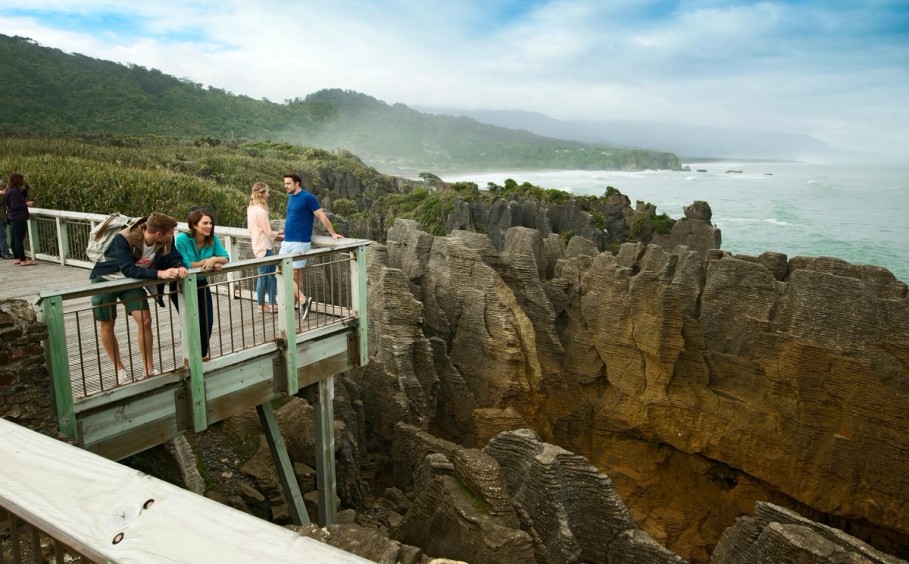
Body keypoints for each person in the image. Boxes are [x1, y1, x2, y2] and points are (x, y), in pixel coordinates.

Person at [89, 212, 187, 384]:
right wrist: (159, 274)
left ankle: (149, 369)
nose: (172, 236)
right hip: (106, 279)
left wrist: (180, 267)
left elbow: (174, 258)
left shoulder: (165, 241)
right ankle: (119, 369)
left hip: (130, 282)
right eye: (170, 233)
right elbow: (128, 268)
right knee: (107, 322)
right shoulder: (124, 238)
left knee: (145, 319)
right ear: (159, 234)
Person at [279, 173, 343, 320]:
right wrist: (285, 229)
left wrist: (332, 233)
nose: (285, 186)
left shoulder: (308, 198)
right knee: (294, 275)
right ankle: (299, 306)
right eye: (285, 183)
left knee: (290, 274)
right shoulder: (291, 198)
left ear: (297, 184)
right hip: (287, 240)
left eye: (288, 183)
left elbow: (321, 216)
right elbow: (292, 217)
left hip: (300, 242)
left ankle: (302, 301)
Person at [174, 208, 229, 360]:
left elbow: (225, 257)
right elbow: (186, 264)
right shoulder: (182, 240)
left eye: (210, 223)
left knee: (207, 320)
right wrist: (208, 263)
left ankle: (202, 354)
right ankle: (189, 353)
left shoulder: (212, 239)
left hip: (200, 282)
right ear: (194, 225)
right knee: (190, 320)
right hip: (181, 284)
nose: (209, 226)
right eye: (205, 223)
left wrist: (213, 260)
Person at [247, 182, 282, 312]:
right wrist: (282, 236)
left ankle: (268, 304)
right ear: (261, 193)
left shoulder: (251, 209)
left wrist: (277, 232)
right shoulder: (261, 211)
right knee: (266, 276)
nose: (268, 194)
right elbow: (268, 232)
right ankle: (264, 305)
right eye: (267, 192)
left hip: (258, 245)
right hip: (264, 247)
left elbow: (257, 229)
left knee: (268, 276)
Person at [5, 172, 36, 266]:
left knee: (14, 239)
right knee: (19, 239)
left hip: (13, 217)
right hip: (19, 217)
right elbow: (15, 206)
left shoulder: (9, 190)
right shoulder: (14, 191)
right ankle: (23, 260)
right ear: (17, 180)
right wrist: (27, 204)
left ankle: (16, 257)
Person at [0, 179, 12, 259]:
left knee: (2, 235)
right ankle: (5, 253)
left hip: (3, 216)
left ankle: (2, 252)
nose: (2, 188)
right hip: (0, 218)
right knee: (2, 235)